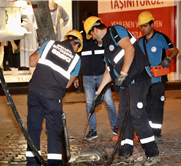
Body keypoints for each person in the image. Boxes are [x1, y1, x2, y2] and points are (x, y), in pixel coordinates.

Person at [84, 16, 161, 166]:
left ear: (95, 29)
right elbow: (108, 72)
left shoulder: (116, 30)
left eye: (91, 34)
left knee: (137, 115)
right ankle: (125, 152)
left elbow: (129, 49)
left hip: (139, 79)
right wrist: (98, 94)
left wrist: (123, 73)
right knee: (123, 118)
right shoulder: (106, 46)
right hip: (126, 84)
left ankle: (153, 153)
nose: (92, 38)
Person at [25, 30, 83, 166]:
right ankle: (54, 162)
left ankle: (32, 162)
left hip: (35, 91)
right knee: (53, 130)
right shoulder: (76, 59)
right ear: (77, 46)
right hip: (52, 97)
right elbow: (68, 84)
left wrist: (40, 49)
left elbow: (32, 62)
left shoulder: (49, 44)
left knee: (33, 128)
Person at [73, 12, 118, 140]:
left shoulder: (101, 36)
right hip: (87, 76)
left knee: (109, 101)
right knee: (89, 103)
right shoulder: (80, 37)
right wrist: (75, 76)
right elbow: (76, 58)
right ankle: (92, 129)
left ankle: (115, 126)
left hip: (103, 75)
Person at [137, 11, 179, 144]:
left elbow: (175, 50)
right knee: (146, 106)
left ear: (152, 24)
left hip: (159, 78)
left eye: (145, 26)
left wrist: (168, 58)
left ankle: (156, 133)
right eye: (141, 26)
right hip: (145, 79)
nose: (143, 29)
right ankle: (149, 132)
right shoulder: (140, 42)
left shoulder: (161, 38)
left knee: (157, 106)